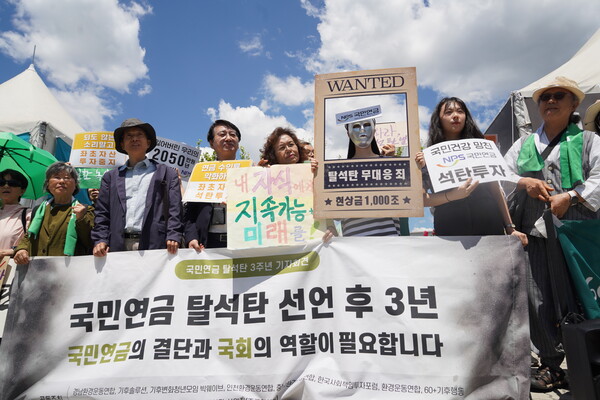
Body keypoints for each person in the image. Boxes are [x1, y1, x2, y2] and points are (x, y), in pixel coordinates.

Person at [504, 77, 600, 391]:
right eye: (545, 97)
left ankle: (592, 364)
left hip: (577, 232)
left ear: (575, 104)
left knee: (584, 294)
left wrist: (570, 197)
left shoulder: (588, 140)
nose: (550, 101)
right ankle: (551, 365)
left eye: (560, 95)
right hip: (536, 233)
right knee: (538, 299)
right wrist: (524, 183)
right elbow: (503, 174)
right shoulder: (524, 144)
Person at [415, 97, 527, 245]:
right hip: (450, 231)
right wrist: (452, 196)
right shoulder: (428, 156)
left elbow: (495, 189)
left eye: (460, 111)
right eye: (448, 112)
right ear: (439, 120)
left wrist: (510, 227)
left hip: (490, 226)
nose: (455, 115)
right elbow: (421, 199)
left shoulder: (482, 147)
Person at [92, 118, 183, 256]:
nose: (134, 139)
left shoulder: (167, 173)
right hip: (117, 245)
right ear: (122, 144)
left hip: (155, 244)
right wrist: (100, 239)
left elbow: (175, 209)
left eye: (139, 135)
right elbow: (102, 213)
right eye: (129, 136)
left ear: (148, 142)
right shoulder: (110, 177)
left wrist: (174, 234)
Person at [14, 163, 94, 263]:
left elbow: (90, 242)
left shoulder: (86, 210)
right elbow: (29, 237)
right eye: (56, 177)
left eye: (67, 178)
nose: (61, 181)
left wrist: (81, 218)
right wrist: (21, 249)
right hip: (37, 271)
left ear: (75, 185)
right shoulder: (39, 210)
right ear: (48, 184)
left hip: (68, 272)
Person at [184, 119, 241, 250]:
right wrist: (191, 237)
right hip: (208, 242)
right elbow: (190, 211)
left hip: (242, 239)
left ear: (238, 143)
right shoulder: (200, 171)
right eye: (222, 134)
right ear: (211, 143)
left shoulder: (250, 171)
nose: (228, 138)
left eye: (233, 134)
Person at [0, 170, 31, 258]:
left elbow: (33, 245)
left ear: (22, 190)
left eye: (12, 183)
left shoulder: (28, 215)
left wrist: (9, 252)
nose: (6, 186)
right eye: (1, 183)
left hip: (12, 268)